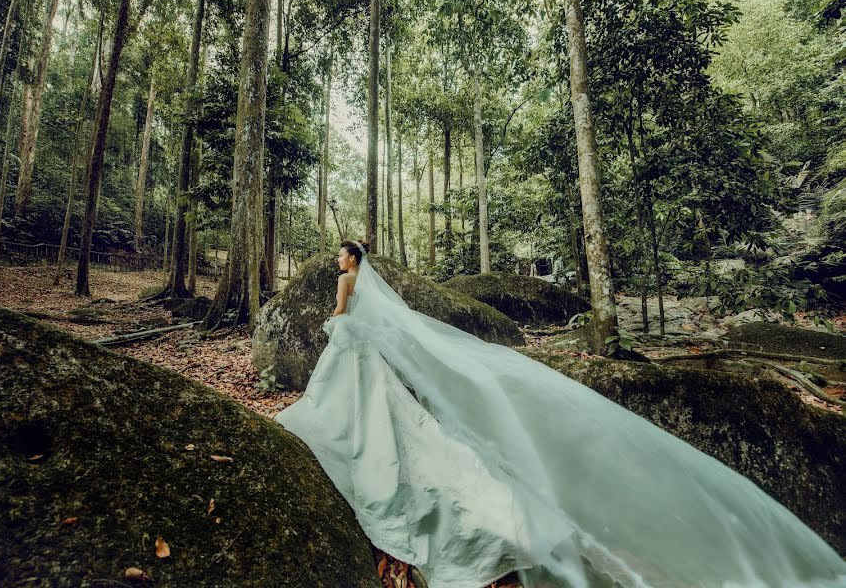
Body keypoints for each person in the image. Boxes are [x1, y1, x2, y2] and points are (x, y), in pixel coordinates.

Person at [274, 240, 846, 588]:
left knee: (362, 409)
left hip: (354, 348)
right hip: (363, 353)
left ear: (353, 260)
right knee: (382, 409)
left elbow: (342, 318)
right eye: (340, 255)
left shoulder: (348, 282)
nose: (338, 259)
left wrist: (336, 324)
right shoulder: (358, 278)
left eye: (342, 253)